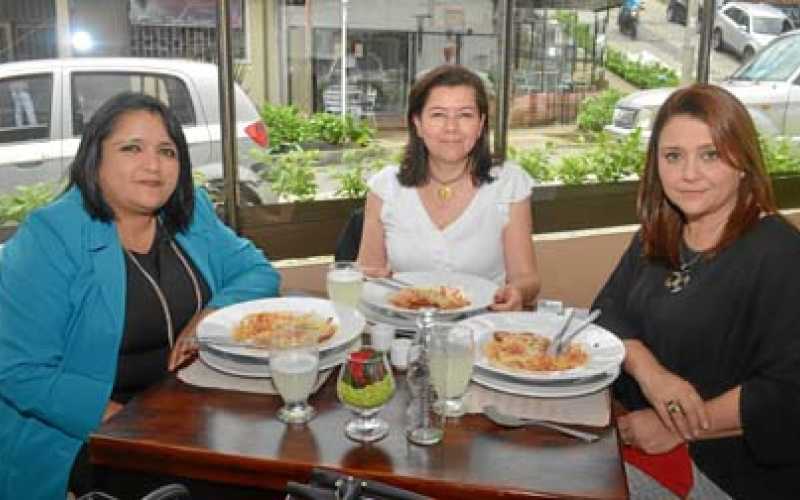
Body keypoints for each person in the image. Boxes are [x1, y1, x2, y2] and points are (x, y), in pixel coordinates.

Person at [0, 92, 281, 499]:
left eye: (167, 151)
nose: (153, 165)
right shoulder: (51, 235)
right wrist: (128, 425)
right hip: (87, 433)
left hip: (187, 412)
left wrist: (210, 316)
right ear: (95, 158)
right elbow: (17, 369)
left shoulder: (189, 211)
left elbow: (257, 272)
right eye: (132, 148)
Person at [592, 84, 800, 498]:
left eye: (710, 155)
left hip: (729, 473)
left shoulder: (779, 253)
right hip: (636, 434)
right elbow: (605, 315)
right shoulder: (659, 233)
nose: (688, 174)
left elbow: (787, 393)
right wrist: (653, 376)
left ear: (743, 162)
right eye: (673, 156)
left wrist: (675, 424)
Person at [357, 64, 540, 310]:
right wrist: (367, 280)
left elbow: (526, 278)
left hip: (483, 330)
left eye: (465, 115)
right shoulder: (386, 188)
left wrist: (517, 291)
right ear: (418, 124)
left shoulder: (508, 183)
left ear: (480, 124)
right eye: (438, 115)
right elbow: (368, 273)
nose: (451, 127)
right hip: (405, 331)